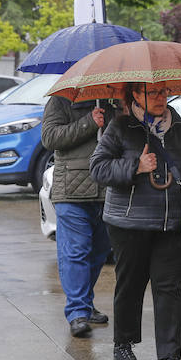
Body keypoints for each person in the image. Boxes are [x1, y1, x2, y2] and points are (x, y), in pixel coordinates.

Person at [89, 81, 181, 360]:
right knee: (130, 285)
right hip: (130, 223)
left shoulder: (180, 127)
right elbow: (98, 169)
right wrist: (135, 166)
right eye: (152, 92)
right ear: (135, 96)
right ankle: (123, 343)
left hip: (172, 224)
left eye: (164, 92)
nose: (160, 98)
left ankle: (171, 358)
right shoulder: (120, 127)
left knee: (169, 289)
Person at [41, 95, 114, 339]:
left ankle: (85, 302)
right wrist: (89, 122)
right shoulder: (60, 100)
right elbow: (50, 138)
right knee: (76, 251)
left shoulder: (111, 98)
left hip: (107, 189)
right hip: (71, 190)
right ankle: (77, 313)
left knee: (99, 252)